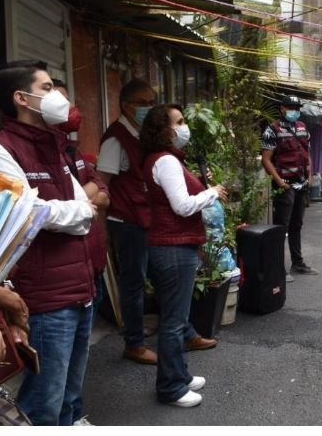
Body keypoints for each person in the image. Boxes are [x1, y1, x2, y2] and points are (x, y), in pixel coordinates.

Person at [0, 60, 96, 425]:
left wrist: (69, 213)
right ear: (22, 98)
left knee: (69, 395)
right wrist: (74, 213)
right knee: (44, 401)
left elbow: (85, 209)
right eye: (46, 88)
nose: (57, 95)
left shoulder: (55, 145)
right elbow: (28, 215)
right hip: (44, 297)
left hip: (81, 286)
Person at [98, 79, 216, 365]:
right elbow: (102, 184)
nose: (149, 107)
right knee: (134, 282)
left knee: (166, 280)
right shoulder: (116, 138)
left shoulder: (145, 137)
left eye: (153, 101)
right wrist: (100, 230)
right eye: (143, 102)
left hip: (151, 219)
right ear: (126, 105)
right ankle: (135, 343)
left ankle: (185, 331)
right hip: (127, 220)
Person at [140, 104, 227, 407]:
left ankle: (180, 375)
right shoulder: (165, 161)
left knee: (177, 318)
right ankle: (171, 387)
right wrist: (212, 191)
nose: (184, 126)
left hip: (174, 246)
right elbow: (183, 206)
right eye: (178, 122)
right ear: (163, 130)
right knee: (175, 322)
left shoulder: (168, 159)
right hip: (172, 248)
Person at [53, 80, 110, 324]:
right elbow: (53, 204)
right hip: (63, 277)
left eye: (68, 100)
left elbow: (104, 192)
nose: (69, 107)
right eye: (59, 100)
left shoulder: (71, 150)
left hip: (92, 265)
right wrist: (85, 196)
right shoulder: (37, 154)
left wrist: (79, 198)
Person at [261, 95, 318, 281]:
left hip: (301, 183)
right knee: (281, 227)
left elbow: (307, 154)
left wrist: (310, 177)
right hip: (285, 185)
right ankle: (279, 268)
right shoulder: (272, 130)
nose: (294, 110)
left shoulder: (302, 128)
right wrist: (279, 181)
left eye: (296, 107)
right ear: (282, 109)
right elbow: (266, 159)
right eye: (290, 107)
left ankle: (298, 263)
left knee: (296, 225)